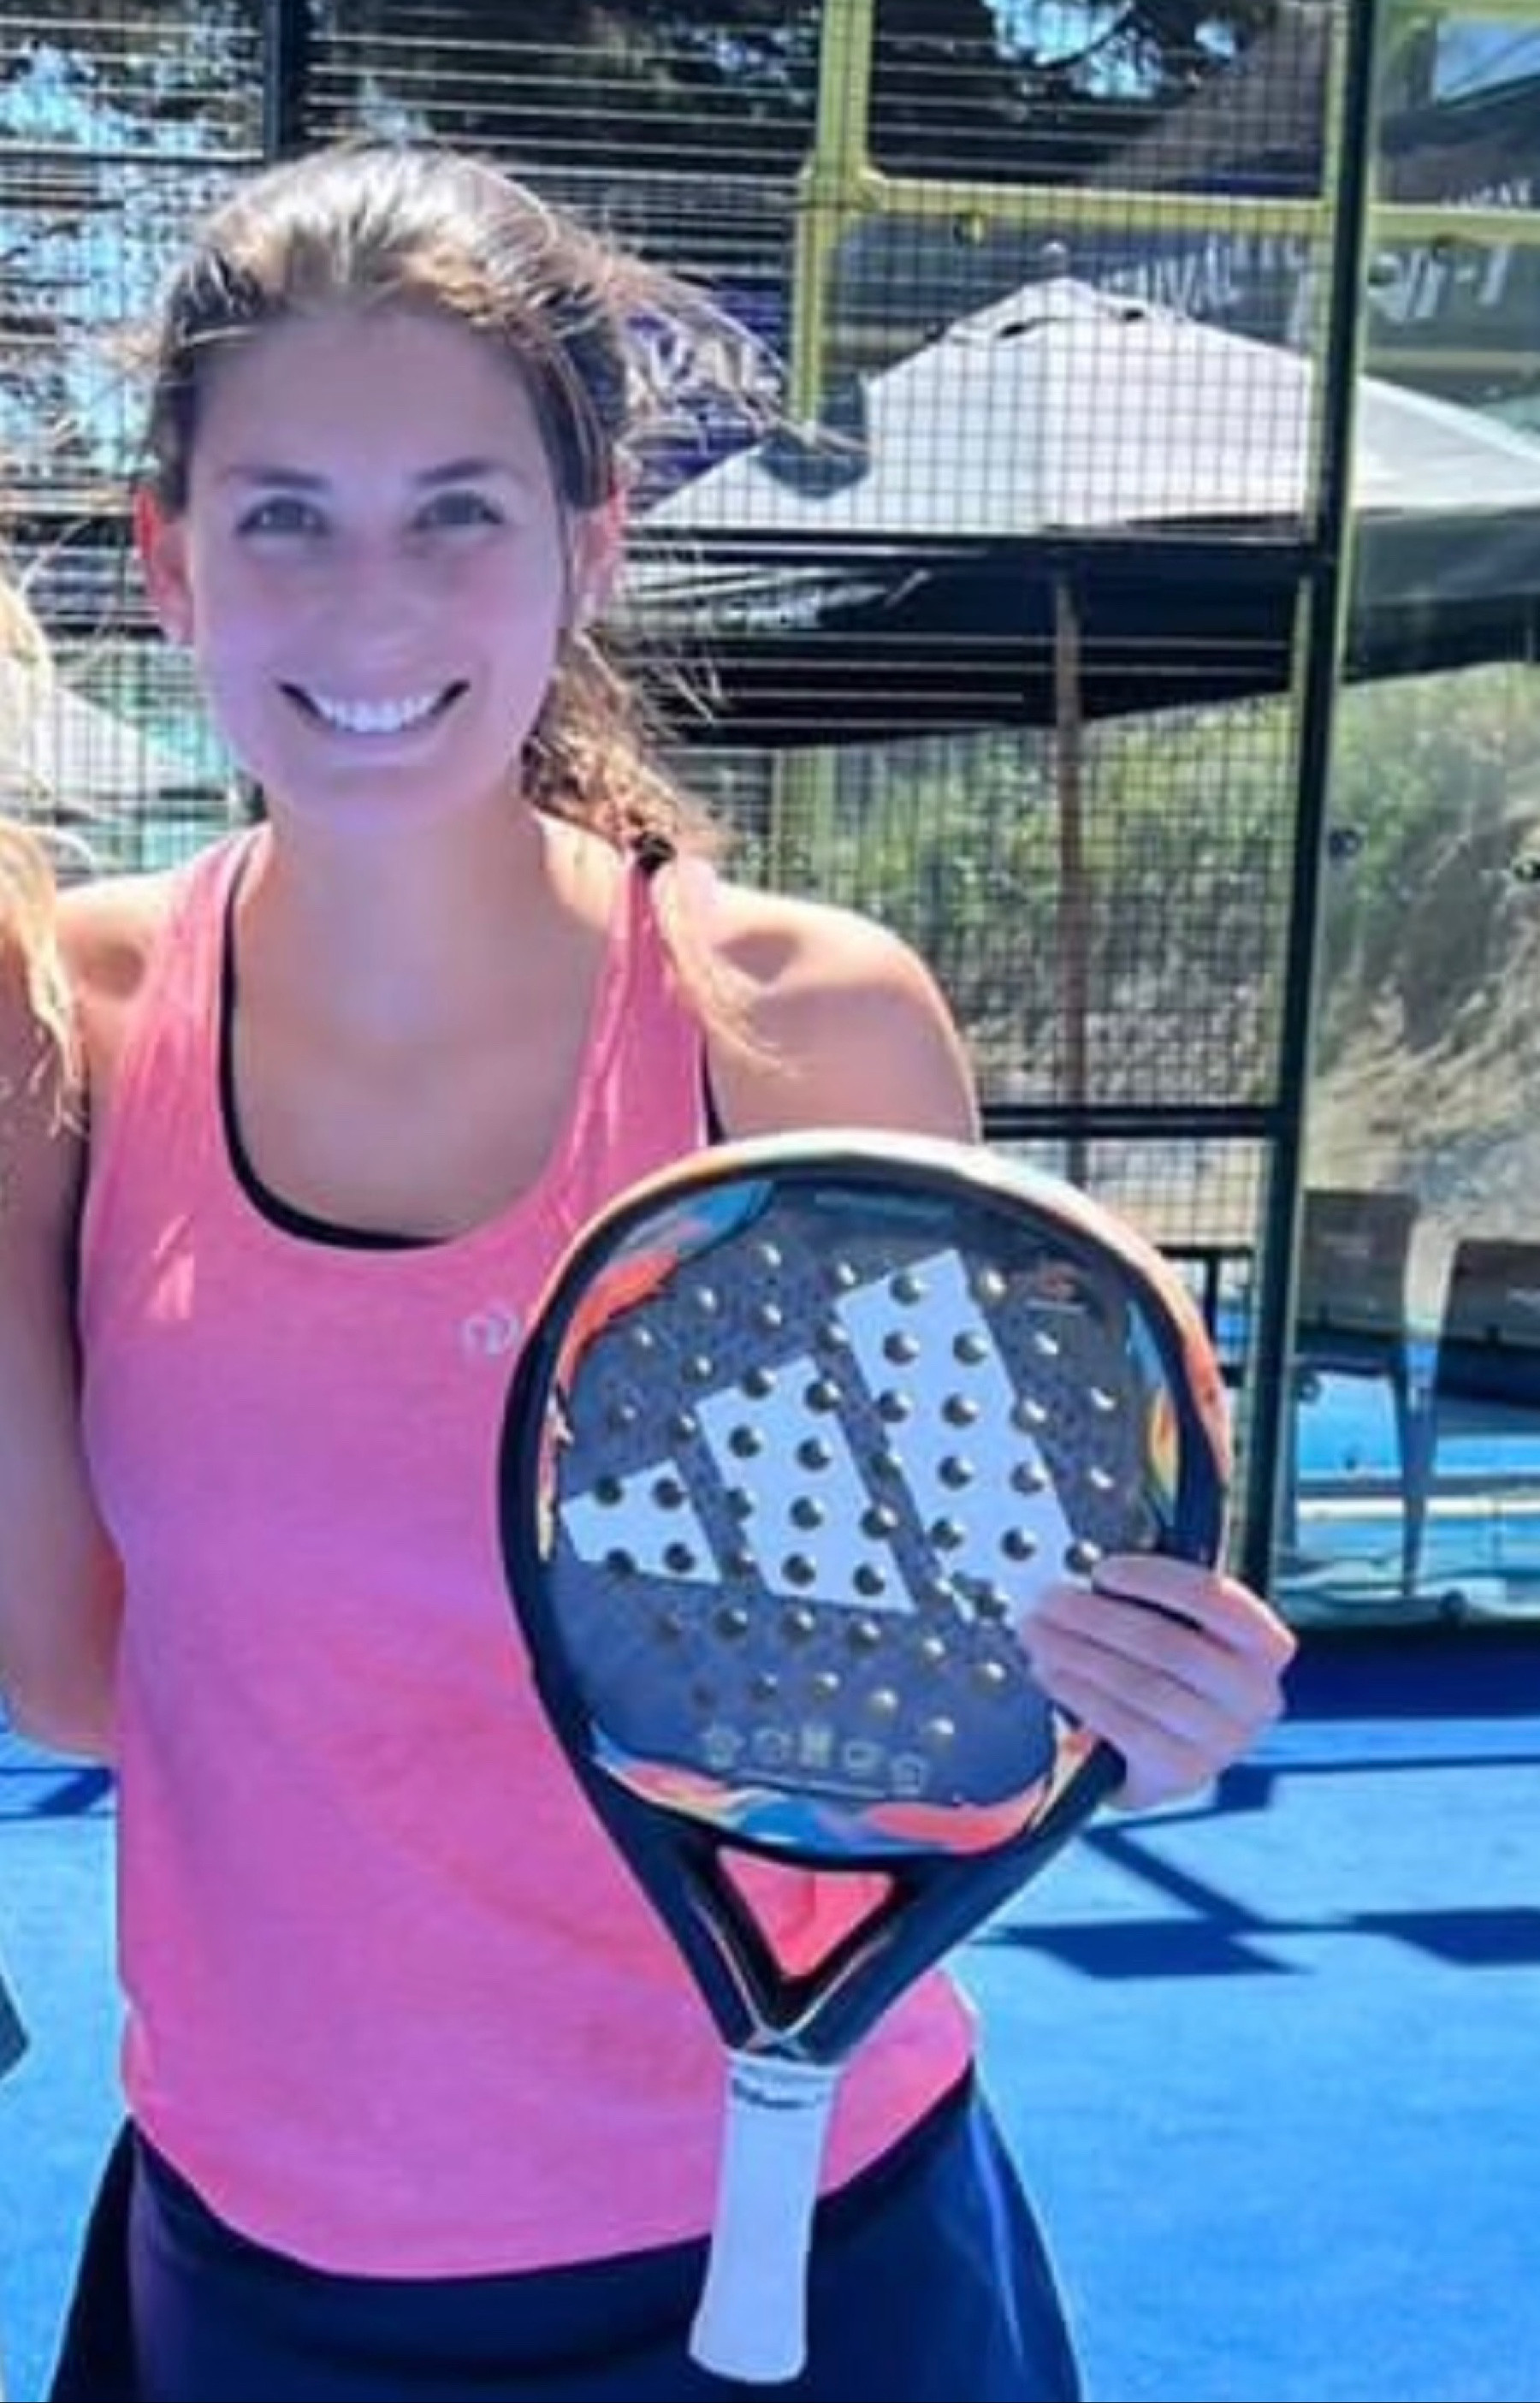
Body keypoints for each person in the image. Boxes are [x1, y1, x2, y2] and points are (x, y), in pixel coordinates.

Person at [0, 140, 1295, 2403]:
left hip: (804, 2249)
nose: (372, 607)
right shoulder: (63, 1033)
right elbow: (89, 1684)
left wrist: (1142, 1708)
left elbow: (958, 1696)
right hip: (257, 2261)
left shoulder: (805, 1029)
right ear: (168, 560)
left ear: (590, 544)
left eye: (459, 512)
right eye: (284, 514)